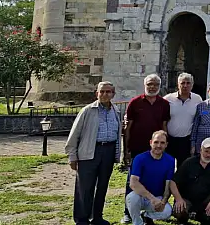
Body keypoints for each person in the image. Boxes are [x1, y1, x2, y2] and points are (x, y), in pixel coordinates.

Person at [66, 81, 122, 225]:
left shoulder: (116, 111)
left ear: (113, 94)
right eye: (101, 92)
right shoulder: (87, 111)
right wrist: (72, 156)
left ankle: (97, 217)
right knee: (85, 188)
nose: (104, 94)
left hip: (108, 152)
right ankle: (82, 219)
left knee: (102, 187)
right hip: (89, 152)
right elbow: (74, 134)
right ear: (97, 93)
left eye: (108, 92)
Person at [122, 74, 170, 224]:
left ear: (159, 86)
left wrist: (164, 147)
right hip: (137, 147)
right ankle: (128, 213)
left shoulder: (164, 104)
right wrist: (126, 149)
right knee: (133, 179)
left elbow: (164, 127)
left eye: (155, 84)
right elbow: (127, 127)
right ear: (145, 85)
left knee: (156, 178)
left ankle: (152, 209)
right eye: (150, 84)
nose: (152, 87)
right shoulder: (135, 103)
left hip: (156, 148)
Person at [170, 138, 210, 225]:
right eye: (206, 151)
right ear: (201, 150)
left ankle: (204, 216)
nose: (208, 154)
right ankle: (184, 219)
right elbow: (173, 182)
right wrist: (178, 199)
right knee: (179, 211)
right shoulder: (189, 162)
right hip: (186, 199)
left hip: (205, 200)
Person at [125, 131, 174, 225]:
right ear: (150, 142)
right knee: (132, 198)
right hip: (141, 196)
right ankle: (137, 222)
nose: (159, 145)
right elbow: (133, 183)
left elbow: (168, 185)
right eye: (156, 142)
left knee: (167, 211)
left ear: (166, 145)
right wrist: (152, 198)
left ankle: (146, 216)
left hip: (157, 198)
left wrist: (163, 201)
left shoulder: (170, 160)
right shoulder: (140, 158)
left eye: (162, 143)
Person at [164, 73, 203, 167]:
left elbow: (201, 117)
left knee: (183, 168)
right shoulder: (168, 99)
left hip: (186, 140)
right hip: (170, 140)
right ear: (178, 84)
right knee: (168, 166)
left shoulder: (197, 99)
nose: (185, 85)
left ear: (192, 85)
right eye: (182, 83)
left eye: (188, 83)